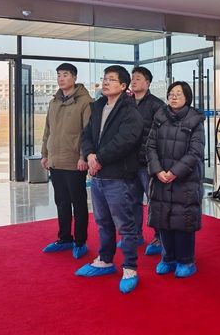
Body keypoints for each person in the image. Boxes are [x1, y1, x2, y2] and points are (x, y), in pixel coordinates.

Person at [76, 65, 143, 294]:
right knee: (103, 221)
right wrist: (89, 155)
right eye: (105, 78)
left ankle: (130, 267)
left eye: (112, 79)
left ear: (123, 86)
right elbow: (86, 135)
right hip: (98, 175)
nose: (106, 82)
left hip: (118, 176)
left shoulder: (130, 110)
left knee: (125, 225)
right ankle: (105, 260)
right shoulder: (97, 107)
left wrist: (99, 158)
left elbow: (126, 140)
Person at [146, 81, 205, 278]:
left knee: (183, 221)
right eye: (171, 93)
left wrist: (174, 172)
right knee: (163, 219)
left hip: (184, 180)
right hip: (161, 178)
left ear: (187, 97)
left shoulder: (195, 120)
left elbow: (195, 152)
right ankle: (167, 258)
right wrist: (157, 170)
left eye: (179, 93)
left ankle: (186, 261)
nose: (174, 97)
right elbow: (150, 147)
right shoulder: (160, 117)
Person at [41, 63, 92, 259]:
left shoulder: (85, 102)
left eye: (65, 75)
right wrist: (45, 154)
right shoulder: (54, 102)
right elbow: (48, 130)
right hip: (55, 160)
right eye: (58, 75)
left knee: (78, 203)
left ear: (74, 78)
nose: (61, 78)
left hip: (74, 161)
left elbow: (88, 132)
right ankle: (64, 238)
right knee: (61, 201)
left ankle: (80, 241)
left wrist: (83, 156)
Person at [126, 66, 165, 255]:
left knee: (154, 201)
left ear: (147, 83)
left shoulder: (157, 105)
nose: (134, 81)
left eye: (138, 78)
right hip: (129, 163)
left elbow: (162, 136)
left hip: (147, 163)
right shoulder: (126, 103)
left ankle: (159, 237)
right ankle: (135, 235)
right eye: (132, 78)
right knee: (132, 201)